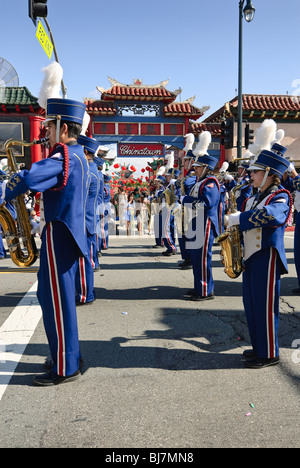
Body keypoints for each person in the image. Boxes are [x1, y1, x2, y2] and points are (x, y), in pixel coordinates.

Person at [3, 98, 89, 386]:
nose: (45, 131)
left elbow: (31, 177)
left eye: (50, 126)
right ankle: (67, 357)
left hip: (60, 233)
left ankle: (66, 366)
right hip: (64, 233)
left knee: (58, 302)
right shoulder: (75, 154)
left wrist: (7, 187)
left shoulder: (64, 155)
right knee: (51, 298)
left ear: (64, 128)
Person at [228, 149, 293, 369]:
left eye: (255, 172)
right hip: (251, 256)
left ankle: (269, 353)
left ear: (268, 173)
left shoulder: (281, 195)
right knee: (252, 304)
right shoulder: (255, 197)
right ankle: (259, 347)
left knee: (265, 306)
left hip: (266, 256)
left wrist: (241, 218)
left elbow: (273, 215)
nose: (250, 176)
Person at [182, 131, 220, 301]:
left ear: (205, 168)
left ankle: (205, 290)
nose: (194, 169)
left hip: (204, 224)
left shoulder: (210, 182)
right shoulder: (200, 181)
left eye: (198, 167)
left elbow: (207, 204)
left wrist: (188, 200)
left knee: (203, 258)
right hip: (196, 222)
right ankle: (199, 286)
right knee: (197, 258)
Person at [75, 135, 101, 304]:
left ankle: (84, 294)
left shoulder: (88, 173)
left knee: (82, 261)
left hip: (84, 222)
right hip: (88, 220)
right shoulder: (93, 170)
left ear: (84, 152)